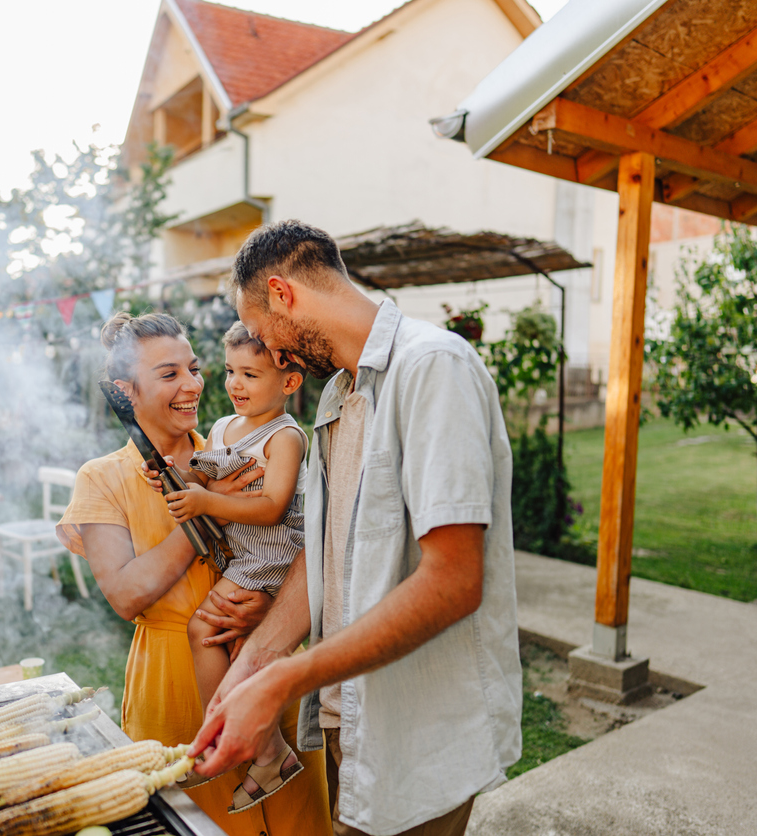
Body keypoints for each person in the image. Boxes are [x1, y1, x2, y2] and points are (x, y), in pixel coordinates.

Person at [189, 220, 522, 836]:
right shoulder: (337, 394)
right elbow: (326, 551)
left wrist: (288, 676)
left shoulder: (433, 367)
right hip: (352, 721)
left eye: (265, 335)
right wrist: (254, 665)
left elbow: (454, 581)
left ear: (283, 294)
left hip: (422, 732)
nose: (274, 357)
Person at [55, 311, 332, 836]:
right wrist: (205, 510)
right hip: (176, 691)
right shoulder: (102, 479)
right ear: (125, 390)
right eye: (168, 375)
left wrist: (274, 605)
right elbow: (126, 594)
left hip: (269, 666)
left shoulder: (240, 447)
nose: (193, 386)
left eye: (194, 367)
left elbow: (299, 540)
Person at [162, 321, 309, 812]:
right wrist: (174, 474)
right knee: (236, 644)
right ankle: (270, 754)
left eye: (250, 373)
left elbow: (271, 506)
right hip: (238, 553)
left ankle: (222, 735)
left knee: (203, 629)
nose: (234, 384)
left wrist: (204, 501)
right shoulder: (224, 427)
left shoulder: (285, 437)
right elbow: (208, 470)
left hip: (270, 554)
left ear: (289, 382)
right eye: (229, 371)